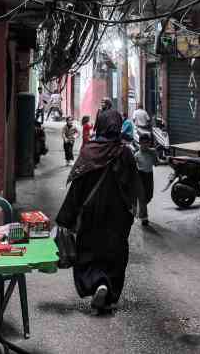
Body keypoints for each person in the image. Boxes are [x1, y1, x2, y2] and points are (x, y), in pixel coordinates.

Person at [56, 108, 139, 314]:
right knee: (115, 254)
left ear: (99, 125)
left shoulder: (89, 152)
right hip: (118, 216)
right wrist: (134, 211)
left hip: (91, 215)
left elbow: (77, 188)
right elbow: (134, 186)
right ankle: (108, 292)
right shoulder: (126, 153)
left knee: (88, 252)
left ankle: (97, 284)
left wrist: (65, 218)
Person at [135, 133, 156, 226]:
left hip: (149, 175)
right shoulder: (136, 155)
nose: (145, 145)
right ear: (140, 143)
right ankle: (144, 217)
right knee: (142, 197)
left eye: (147, 143)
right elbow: (132, 167)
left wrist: (166, 160)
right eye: (143, 143)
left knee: (149, 196)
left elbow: (156, 163)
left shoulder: (152, 152)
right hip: (140, 176)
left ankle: (141, 208)